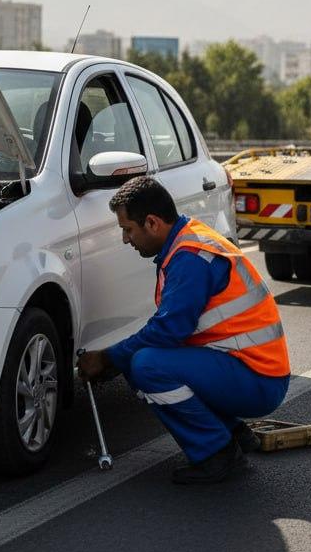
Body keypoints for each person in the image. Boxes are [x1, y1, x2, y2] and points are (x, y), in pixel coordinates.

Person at [78, 176, 291, 484]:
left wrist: (108, 359)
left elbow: (167, 332)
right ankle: (232, 432)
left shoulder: (190, 258)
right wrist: (115, 361)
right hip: (251, 368)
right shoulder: (187, 239)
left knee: (146, 365)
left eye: (127, 229)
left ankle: (216, 454)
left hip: (257, 380)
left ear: (151, 223)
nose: (126, 239)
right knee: (139, 359)